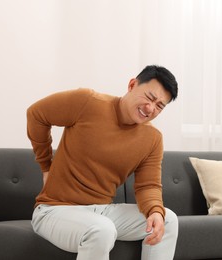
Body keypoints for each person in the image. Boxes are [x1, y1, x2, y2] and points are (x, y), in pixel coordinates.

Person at [26, 65, 179, 260]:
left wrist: (155, 211)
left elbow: (148, 185)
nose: (150, 108)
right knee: (102, 229)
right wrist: (46, 165)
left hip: (101, 211)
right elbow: (36, 114)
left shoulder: (152, 138)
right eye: (149, 97)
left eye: (159, 106)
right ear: (132, 85)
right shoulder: (87, 102)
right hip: (54, 211)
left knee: (168, 220)